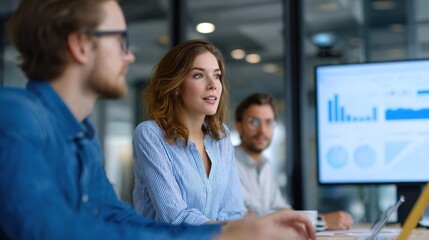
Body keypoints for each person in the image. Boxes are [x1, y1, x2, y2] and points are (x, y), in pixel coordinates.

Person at [0, 1, 316, 239]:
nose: (130, 56)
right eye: (120, 41)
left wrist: (233, 231)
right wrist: (226, 233)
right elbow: (50, 229)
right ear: (80, 45)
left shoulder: (81, 133)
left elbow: (114, 217)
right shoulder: (15, 116)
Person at [132, 39, 245, 225]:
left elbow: (233, 211)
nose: (213, 85)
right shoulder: (149, 135)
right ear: (176, 86)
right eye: (199, 75)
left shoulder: (221, 136)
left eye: (216, 76)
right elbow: (175, 217)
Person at [234, 92, 354, 230]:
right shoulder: (227, 165)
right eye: (254, 122)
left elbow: (282, 211)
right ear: (239, 126)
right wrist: (321, 221)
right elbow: (243, 221)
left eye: (268, 122)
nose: (262, 130)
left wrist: (319, 220)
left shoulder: (265, 165)